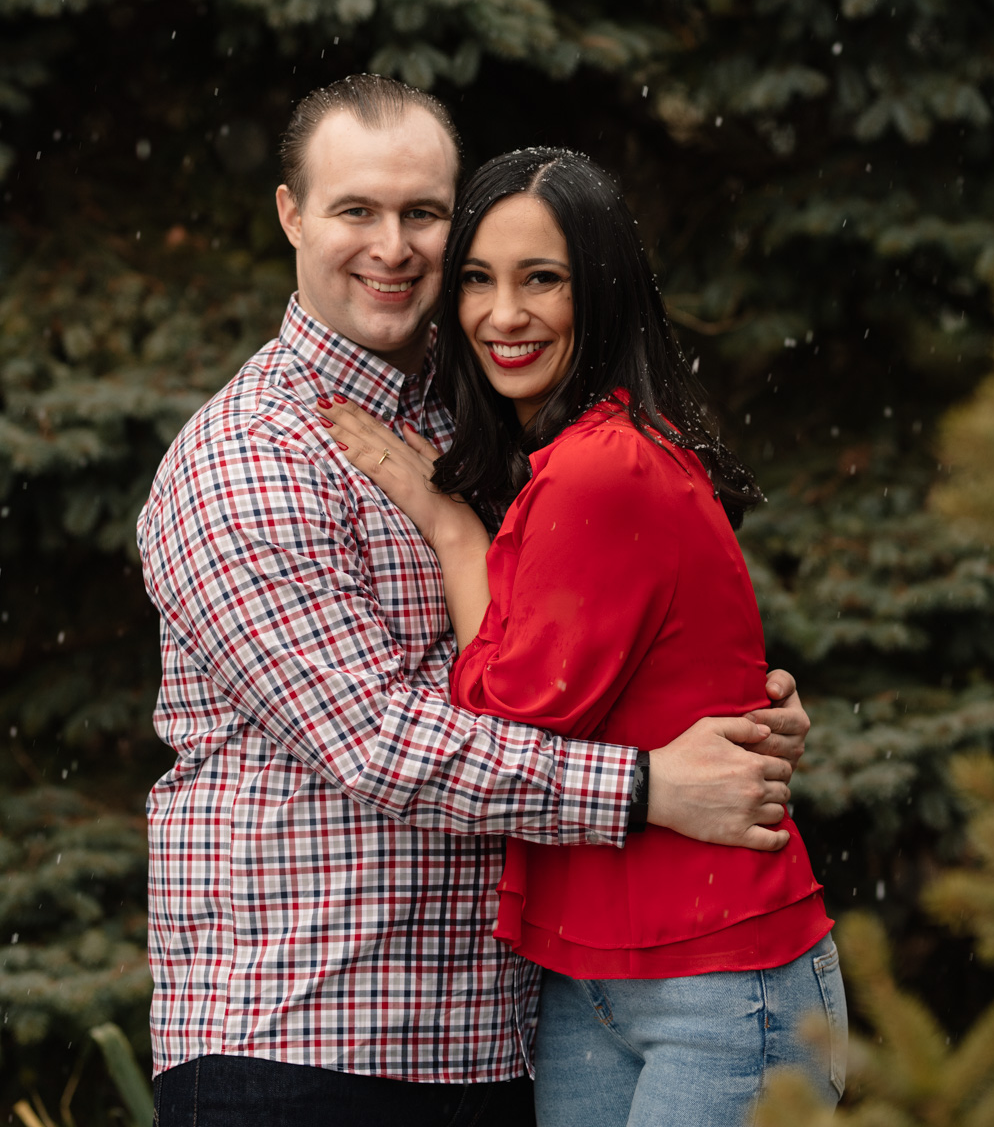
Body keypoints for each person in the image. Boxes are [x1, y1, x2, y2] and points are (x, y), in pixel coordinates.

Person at [138, 75, 813, 1127]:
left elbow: (596, 639)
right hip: (307, 1045)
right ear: (289, 215)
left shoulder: (490, 425)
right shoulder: (250, 459)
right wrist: (645, 785)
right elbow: (373, 740)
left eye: (423, 213)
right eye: (355, 209)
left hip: (488, 1043)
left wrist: (731, 714)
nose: (393, 246)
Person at [319, 144, 846, 1127]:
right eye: (475, 279)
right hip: (586, 976)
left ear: (598, 292)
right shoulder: (565, 458)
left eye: (540, 279)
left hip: (719, 981)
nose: (500, 314)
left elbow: (499, 714)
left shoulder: (601, 469)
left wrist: (447, 529)